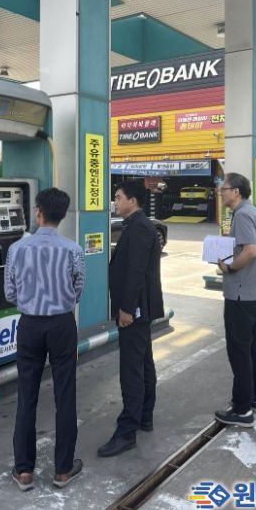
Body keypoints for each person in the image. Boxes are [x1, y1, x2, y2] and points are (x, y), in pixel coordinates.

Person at [5, 188, 85, 491]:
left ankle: (24, 470)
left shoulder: (17, 249)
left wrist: (31, 301)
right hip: (62, 324)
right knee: (65, 395)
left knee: (26, 394)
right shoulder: (73, 249)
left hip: (29, 325)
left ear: (38, 212)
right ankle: (63, 470)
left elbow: (10, 292)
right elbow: (78, 289)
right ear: (62, 215)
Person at [98, 180, 164, 458]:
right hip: (140, 308)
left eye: (118, 197)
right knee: (144, 362)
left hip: (134, 310)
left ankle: (127, 432)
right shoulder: (137, 225)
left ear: (132, 201)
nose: (115, 202)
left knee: (132, 369)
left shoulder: (139, 228)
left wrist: (126, 308)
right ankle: (144, 416)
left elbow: (136, 272)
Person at [215, 173, 256, 428]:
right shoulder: (252, 212)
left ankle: (242, 409)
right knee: (253, 348)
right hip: (252, 292)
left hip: (240, 292)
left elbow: (251, 250)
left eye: (223, 189)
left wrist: (230, 267)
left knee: (239, 352)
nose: (220, 193)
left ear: (236, 191)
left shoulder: (243, 215)